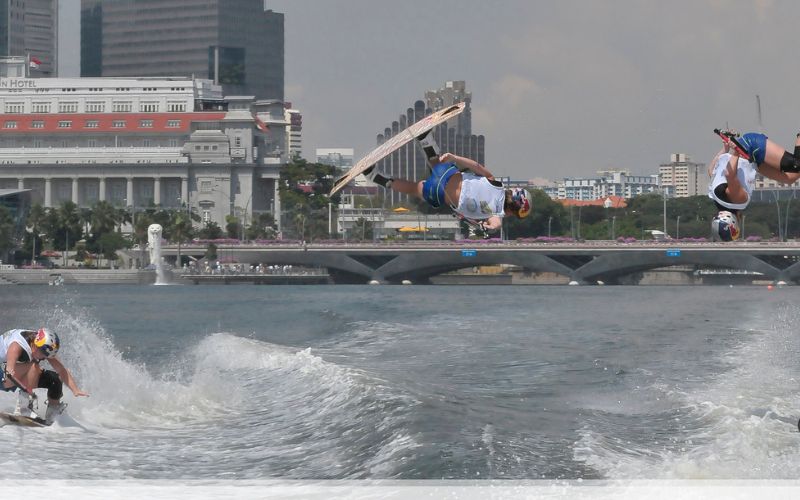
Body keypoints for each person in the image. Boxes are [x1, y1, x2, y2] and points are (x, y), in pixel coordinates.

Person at [363, 133, 532, 232]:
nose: (511, 215)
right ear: (512, 210)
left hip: (447, 174)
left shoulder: (495, 184)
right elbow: (495, 224)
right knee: (414, 189)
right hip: (437, 193)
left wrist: (454, 157)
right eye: (514, 213)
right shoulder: (495, 213)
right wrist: (487, 229)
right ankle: (375, 176)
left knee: (438, 163)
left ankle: (426, 141)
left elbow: (476, 166)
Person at [707, 130, 800, 241]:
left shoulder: (737, 201)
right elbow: (712, 169)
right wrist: (726, 148)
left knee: (796, 165)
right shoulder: (715, 196)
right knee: (790, 178)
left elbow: (729, 174)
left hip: (750, 147)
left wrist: (737, 150)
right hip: (752, 161)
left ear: (732, 222)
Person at [0, 328, 89, 423]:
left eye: (48, 355)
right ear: (36, 345)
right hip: (5, 375)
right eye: (44, 354)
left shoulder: (41, 345)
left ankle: (53, 415)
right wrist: (27, 391)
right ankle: (24, 408)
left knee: (55, 380)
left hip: (11, 374)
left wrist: (75, 390)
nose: (45, 357)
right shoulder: (16, 346)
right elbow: (9, 372)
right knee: (33, 366)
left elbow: (61, 370)